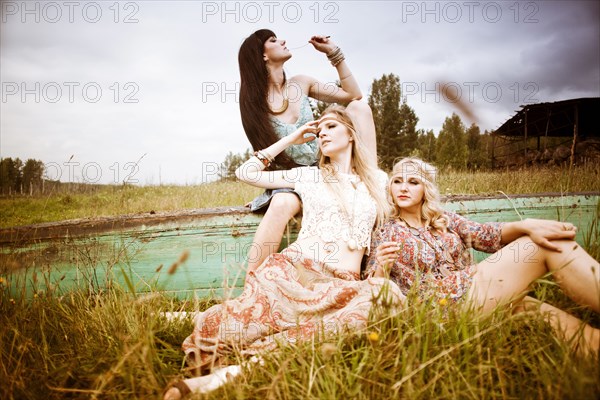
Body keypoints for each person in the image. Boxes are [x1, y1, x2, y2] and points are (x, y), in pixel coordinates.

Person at [163, 106, 404, 399]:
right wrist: (292, 139)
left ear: (350, 134)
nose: (322, 134)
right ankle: (226, 365)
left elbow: (404, 211)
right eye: (319, 130)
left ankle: (228, 375)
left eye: (330, 126)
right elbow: (246, 173)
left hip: (342, 285)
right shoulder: (309, 176)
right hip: (294, 275)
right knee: (225, 328)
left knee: (386, 296)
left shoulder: (377, 180)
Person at [365, 157, 600, 354]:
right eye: (397, 181)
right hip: (440, 311)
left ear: (426, 189)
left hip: (473, 294)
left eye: (413, 182)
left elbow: (485, 235)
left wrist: (525, 225)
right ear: (390, 188)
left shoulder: (444, 220)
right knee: (541, 245)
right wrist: (382, 268)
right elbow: (372, 290)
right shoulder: (386, 230)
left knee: (528, 308)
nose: (403, 188)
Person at [238, 29, 377, 275]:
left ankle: (371, 179)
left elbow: (352, 94)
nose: (283, 41)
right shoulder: (253, 100)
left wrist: (334, 54)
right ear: (262, 56)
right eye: (273, 40)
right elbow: (261, 151)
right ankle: (252, 282)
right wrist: (268, 184)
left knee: (359, 107)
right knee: (282, 202)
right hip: (289, 177)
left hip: (324, 169)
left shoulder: (301, 83)